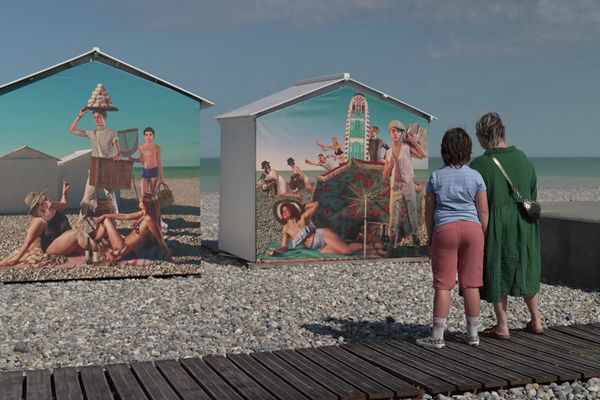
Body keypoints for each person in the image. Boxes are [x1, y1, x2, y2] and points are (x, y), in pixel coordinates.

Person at [470, 112, 543, 338]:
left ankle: (502, 325)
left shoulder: (480, 164)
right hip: (524, 222)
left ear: (484, 136)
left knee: (498, 267)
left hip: (497, 224)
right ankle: (537, 320)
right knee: (526, 266)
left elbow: (475, 199)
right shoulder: (523, 158)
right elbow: (532, 192)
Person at [416, 128, 489, 349]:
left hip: (445, 229)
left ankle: (437, 336)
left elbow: (428, 211)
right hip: (472, 230)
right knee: (471, 284)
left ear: (444, 151)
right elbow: (483, 211)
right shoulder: (476, 176)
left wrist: (430, 236)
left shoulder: (436, 176)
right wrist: (482, 236)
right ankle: (473, 334)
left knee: (443, 284)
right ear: (467, 151)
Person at [0, 182, 89, 267]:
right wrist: (16, 258)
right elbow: (28, 242)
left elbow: (64, 204)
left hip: (67, 238)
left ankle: (97, 251)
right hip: (52, 246)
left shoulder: (53, 206)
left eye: (46, 197)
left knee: (99, 230)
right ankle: (96, 254)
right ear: (40, 207)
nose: (48, 199)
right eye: (44, 200)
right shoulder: (39, 221)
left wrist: (64, 193)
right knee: (78, 233)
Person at [267, 200, 384, 256]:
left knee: (346, 250)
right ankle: (373, 250)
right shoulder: (286, 228)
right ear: (282, 216)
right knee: (343, 252)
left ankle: (372, 246)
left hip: (322, 235)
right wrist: (276, 251)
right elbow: (284, 246)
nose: (285, 211)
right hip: (316, 247)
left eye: (287, 209)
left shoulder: (303, 217)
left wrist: (301, 205)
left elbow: (316, 204)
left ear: (292, 209)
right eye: (283, 211)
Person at [69, 107, 122, 214]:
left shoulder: (112, 132)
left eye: (99, 117)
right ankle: (81, 222)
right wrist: (80, 115)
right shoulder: (91, 133)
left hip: (106, 169)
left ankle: (114, 220)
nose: (96, 120)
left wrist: (116, 158)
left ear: (105, 118)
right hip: (95, 169)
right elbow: (72, 130)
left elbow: (119, 153)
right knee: (86, 198)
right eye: (94, 118)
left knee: (111, 198)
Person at [383, 120, 427, 248]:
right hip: (395, 187)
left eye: (398, 131)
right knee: (393, 216)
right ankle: (392, 242)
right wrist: (390, 165)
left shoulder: (407, 148)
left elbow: (423, 154)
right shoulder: (388, 152)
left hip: (408, 185)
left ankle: (416, 239)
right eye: (393, 131)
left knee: (412, 213)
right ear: (390, 133)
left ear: (402, 133)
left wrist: (413, 141)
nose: (395, 133)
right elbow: (385, 174)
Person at [93, 193, 174, 262]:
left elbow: (161, 240)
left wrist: (170, 259)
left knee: (107, 221)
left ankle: (92, 244)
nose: (139, 200)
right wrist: (105, 215)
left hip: (123, 247)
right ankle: (93, 243)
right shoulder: (145, 213)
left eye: (141, 201)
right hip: (124, 241)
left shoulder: (149, 220)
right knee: (104, 224)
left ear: (146, 205)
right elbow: (126, 216)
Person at [129, 127, 165, 196]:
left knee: (152, 196)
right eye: (146, 135)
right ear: (144, 136)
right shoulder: (140, 147)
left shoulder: (157, 147)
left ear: (153, 136)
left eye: (150, 134)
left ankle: (153, 206)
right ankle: (143, 206)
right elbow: (141, 160)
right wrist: (132, 159)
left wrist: (162, 177)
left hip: (154, 172)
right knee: (143, 195)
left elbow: (159, 162)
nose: (148, 136)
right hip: (145, 172)